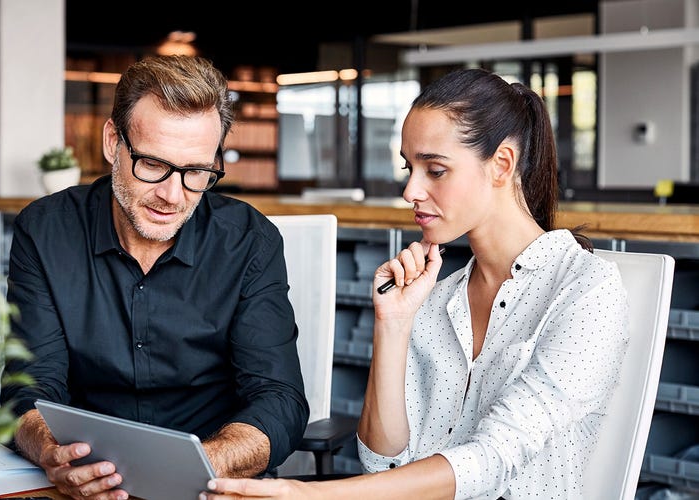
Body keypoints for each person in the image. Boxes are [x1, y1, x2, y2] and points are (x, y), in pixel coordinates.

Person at [205, 68, 629, 499]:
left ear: (502, 164)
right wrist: (393, 324)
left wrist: (312, 495)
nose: (411, 190)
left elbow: (495, 457)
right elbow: (381, 460)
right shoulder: (438, 296)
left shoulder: (587, 290)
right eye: (410, 168)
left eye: (436, 170)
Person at [0, 54, 309, 499]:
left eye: (196, 172)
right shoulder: (45, 230)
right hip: (85, 483)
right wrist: (52, 452)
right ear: (112, 142)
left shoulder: (249, 242)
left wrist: (200, 464)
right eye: (152, 164)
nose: (171, 195)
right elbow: (28, 385)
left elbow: (279, 399)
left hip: (210, 484)